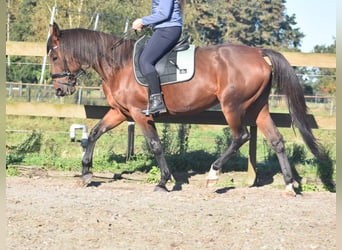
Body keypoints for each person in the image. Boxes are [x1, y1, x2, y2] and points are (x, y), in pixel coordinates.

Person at [132, 0, 183, 115]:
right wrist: (145, 24)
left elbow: (164, 13)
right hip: (164, 29)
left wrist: (142, 21)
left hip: (167, 30)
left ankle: (157, 100)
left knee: (145, 61)